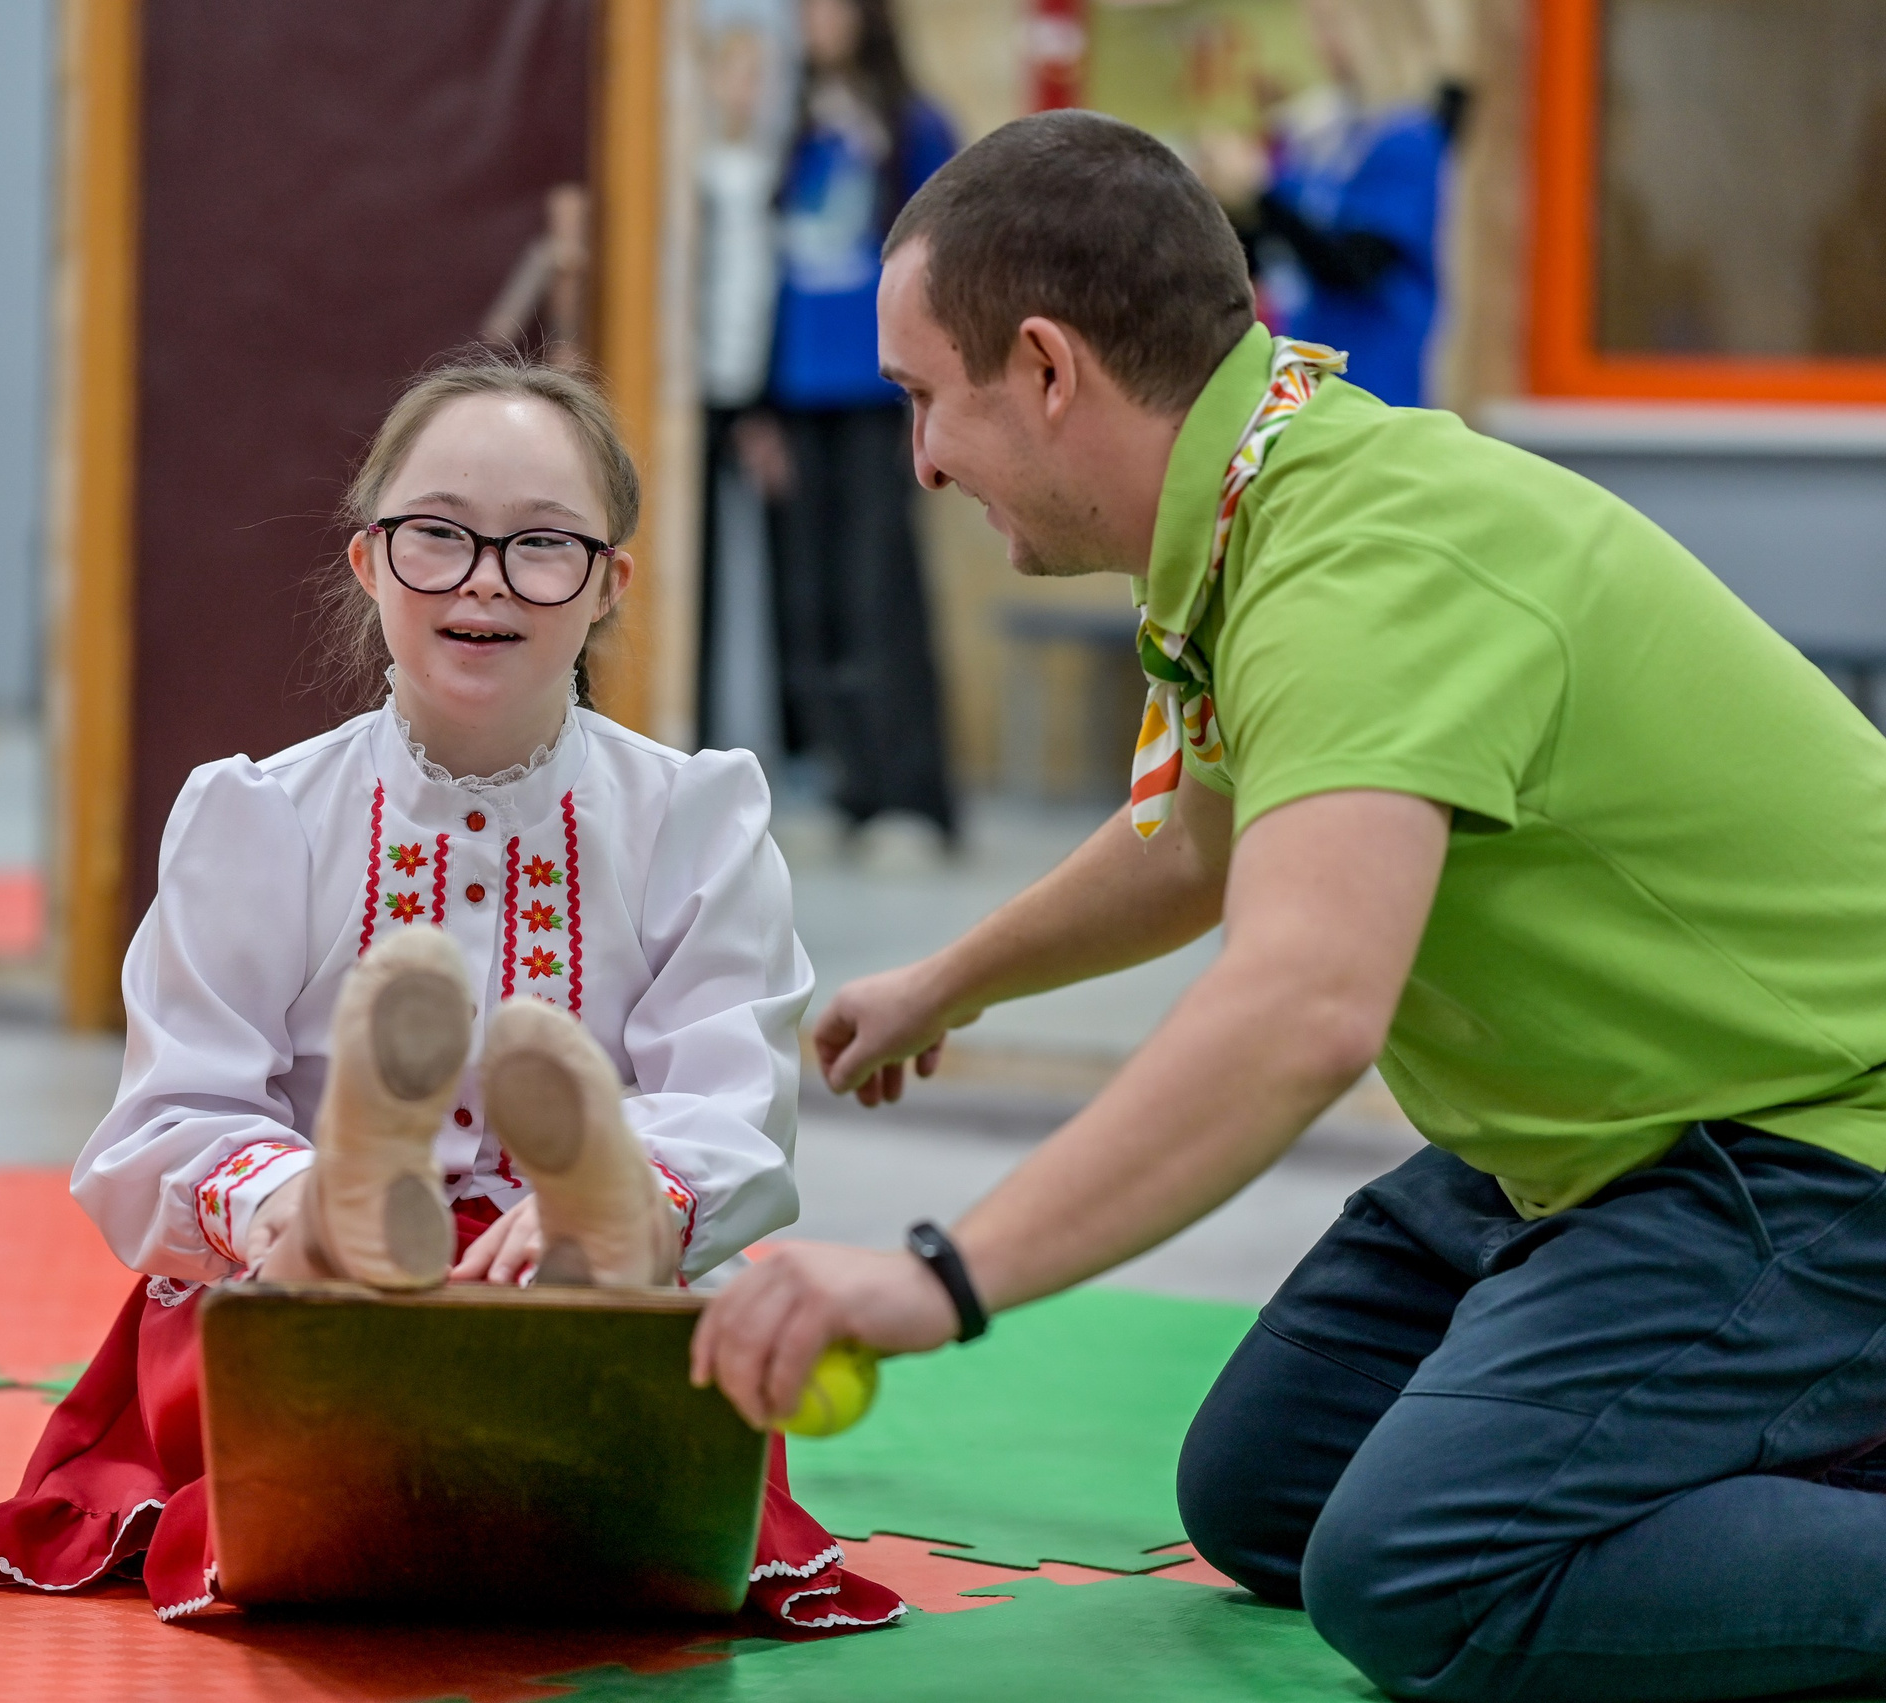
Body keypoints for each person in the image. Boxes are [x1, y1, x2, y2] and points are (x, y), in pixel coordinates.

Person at [691, 109, 1886, 1703]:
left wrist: (935, 1271)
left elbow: (1307, 1005)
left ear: (1045, 368)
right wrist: (955, 979)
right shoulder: (1265, 490)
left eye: (925, 398)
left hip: (1810, 1145)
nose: (917, 457)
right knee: (1265, 1488)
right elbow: (1197, 838)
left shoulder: (1363, 561)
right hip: (1597, 1135)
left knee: (1421, 1573)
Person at [0, 355, 900, 1633]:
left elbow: (731, 1103)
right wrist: (279, 1201)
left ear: (612, 582)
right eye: (438, 535)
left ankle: (601, 1209)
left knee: (632, 1323)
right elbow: (169, 1115)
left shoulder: (691, 819)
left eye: (542, 544)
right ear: (368, 560)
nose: (485, 577)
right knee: (315, 1361)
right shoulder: (263, 818)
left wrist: (635, 1209)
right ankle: (346, 1208)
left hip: (589, 1316)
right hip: (304, 1311)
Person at [755, 0, 957, 849]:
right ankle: (847, 787)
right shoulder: (799, 129)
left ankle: (911, 797)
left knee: (881, 595)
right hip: (800, 399)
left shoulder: (916, 127)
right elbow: (767, 274)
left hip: (883, 398)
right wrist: (759, 404)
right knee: (812, 599)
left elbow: (952, 270)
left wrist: (941, 398)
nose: (810, 19)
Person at [1200, 0, 1458, 408]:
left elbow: (1355, 266)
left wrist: (1262, 189)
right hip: (1311, 379)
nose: (1318, 45)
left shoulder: (1408, 139)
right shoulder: (1333, 139)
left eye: (1330, 27)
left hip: (1375, 387)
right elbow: (1273, 250)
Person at [694, 20, 782, 756]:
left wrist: (759, 399)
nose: (745, 92)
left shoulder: (769, 172)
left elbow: (758, 294)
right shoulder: (695, 175)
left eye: (759, 77)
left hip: (750, 385)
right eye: (734, 73)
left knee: (762, 576)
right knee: (692, 569)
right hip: (694, 386)